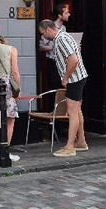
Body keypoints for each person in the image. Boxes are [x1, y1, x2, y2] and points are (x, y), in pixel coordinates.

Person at [39, 18, 87, 157]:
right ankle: (81, 141)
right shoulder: (64, 36)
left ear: (49, 29)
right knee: (77, 111)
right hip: (78, 77)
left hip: (74, 79)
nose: (43, 36)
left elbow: (73, 60)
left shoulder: (61, 39)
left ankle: (70, 146)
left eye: (43, 33)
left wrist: (65, 77)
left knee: (72, 112)